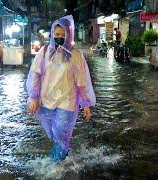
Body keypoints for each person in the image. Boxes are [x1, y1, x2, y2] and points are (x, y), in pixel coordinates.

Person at [26, 15, 96, 162]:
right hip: (47, 100)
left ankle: (55, 166)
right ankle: (62, 156)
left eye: (63, 34)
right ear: (52, 34)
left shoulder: (76, 55)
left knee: (60, 130)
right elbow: (35, 75)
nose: (59, 37)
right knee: (54, 133)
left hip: (67, 101)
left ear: (69, 34)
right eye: (57, 34)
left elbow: (81, 82)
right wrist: (33, 97)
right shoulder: (44, 52)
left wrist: (86, 103)